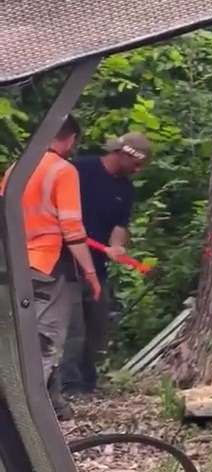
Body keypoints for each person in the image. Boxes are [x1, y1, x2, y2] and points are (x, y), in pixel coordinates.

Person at [0, 114, 102, 421]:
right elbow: (71, 228)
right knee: (45, 341)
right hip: (48, 265)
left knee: (21, 337)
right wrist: (91, 273)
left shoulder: (18, 168)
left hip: (14, 262)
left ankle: (55, 404)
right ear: (71, 138)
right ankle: (22, 416)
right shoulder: (63, 170)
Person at [60, 132, 150, 398]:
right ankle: (69, 387)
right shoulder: (80, 170)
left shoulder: (125, 189)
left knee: (96, 326)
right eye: (136, 163)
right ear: (123, 154)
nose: (138, 170)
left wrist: (117, 246)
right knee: (73, 329)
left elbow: (119, 225)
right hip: (66, 263)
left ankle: (88, 384)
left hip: (97, 267)